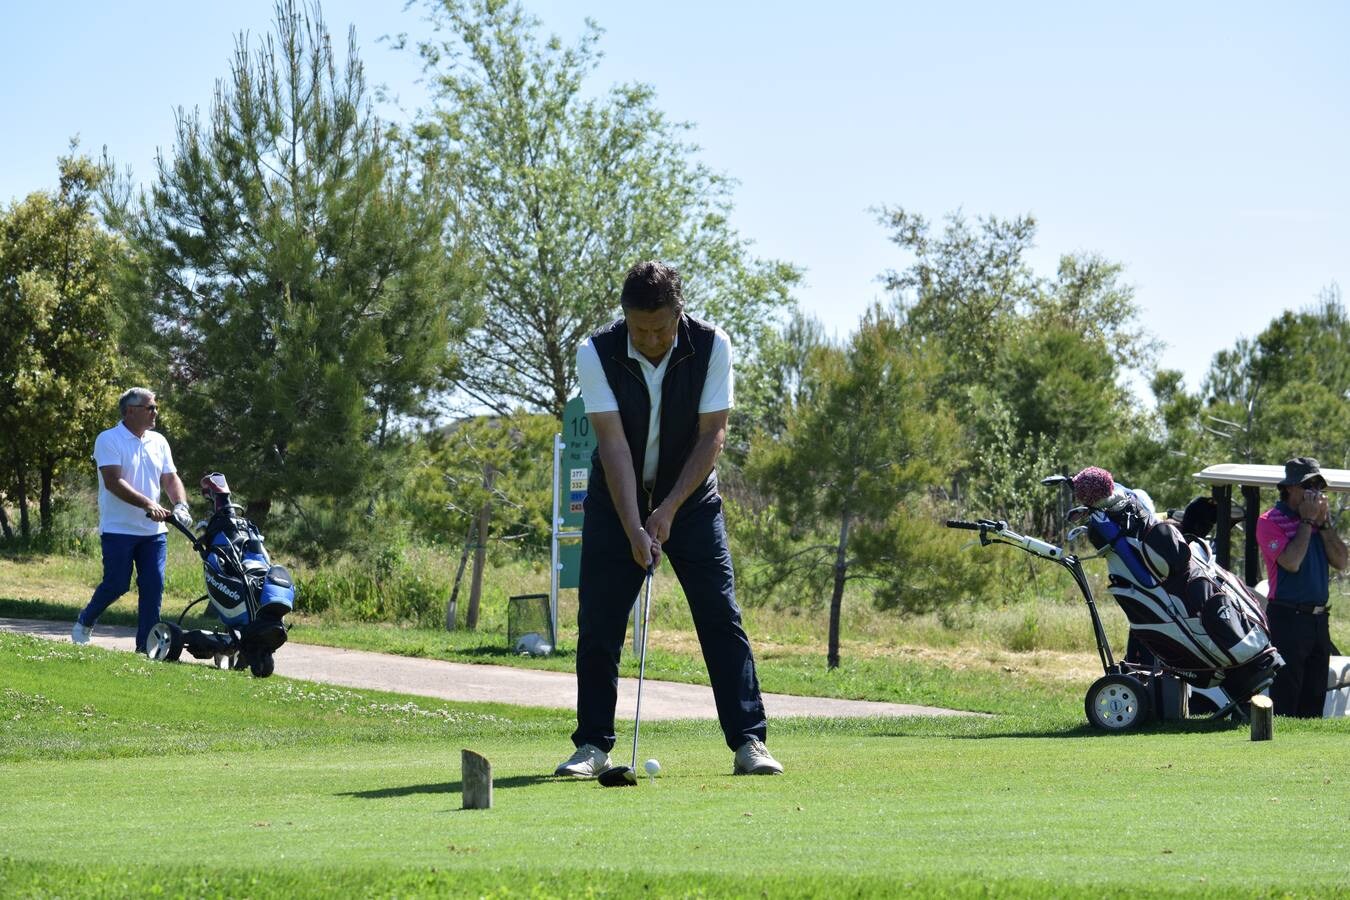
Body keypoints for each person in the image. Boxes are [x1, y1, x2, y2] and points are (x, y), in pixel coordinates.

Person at [554, 260, 782, 778]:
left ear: (679, 314)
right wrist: (636, 524)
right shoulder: (597, 352)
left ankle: (750, 742)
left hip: (693, 500)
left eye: (659, 328)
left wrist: (669, 509)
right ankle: (592, 746)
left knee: (720, 616)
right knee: (599, 624)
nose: (650, 339)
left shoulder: (711, 345)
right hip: (617, 504)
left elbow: (713, 436)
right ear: (626, 319)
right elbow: (610, 443)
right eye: (639, 329)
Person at [71, 388, 189, 654]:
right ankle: (85, 620)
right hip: (118, 529)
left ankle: (145, 647)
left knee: (153, 586)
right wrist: (148, 503)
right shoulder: (108, 439)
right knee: (116, 584)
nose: (155, 412)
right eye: (151, 408)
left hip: (154, 531)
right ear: (131, 410)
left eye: (155, 407)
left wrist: (180, 504)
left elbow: (170, 479)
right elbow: (113, 482)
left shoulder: (159, 441)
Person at [1256, 457, 1348, 717]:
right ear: (1290, 488)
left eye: (1319, 488)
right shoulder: (1269, 521)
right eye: (1309, 486)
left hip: (1318, 619)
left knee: (1314, 695)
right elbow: (1291, 562)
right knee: (1288, 694)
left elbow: (1341, 562)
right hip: (1288, 617)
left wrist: (1324, 523)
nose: (1315, 494)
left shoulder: (1320, 524)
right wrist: (1307, 523)